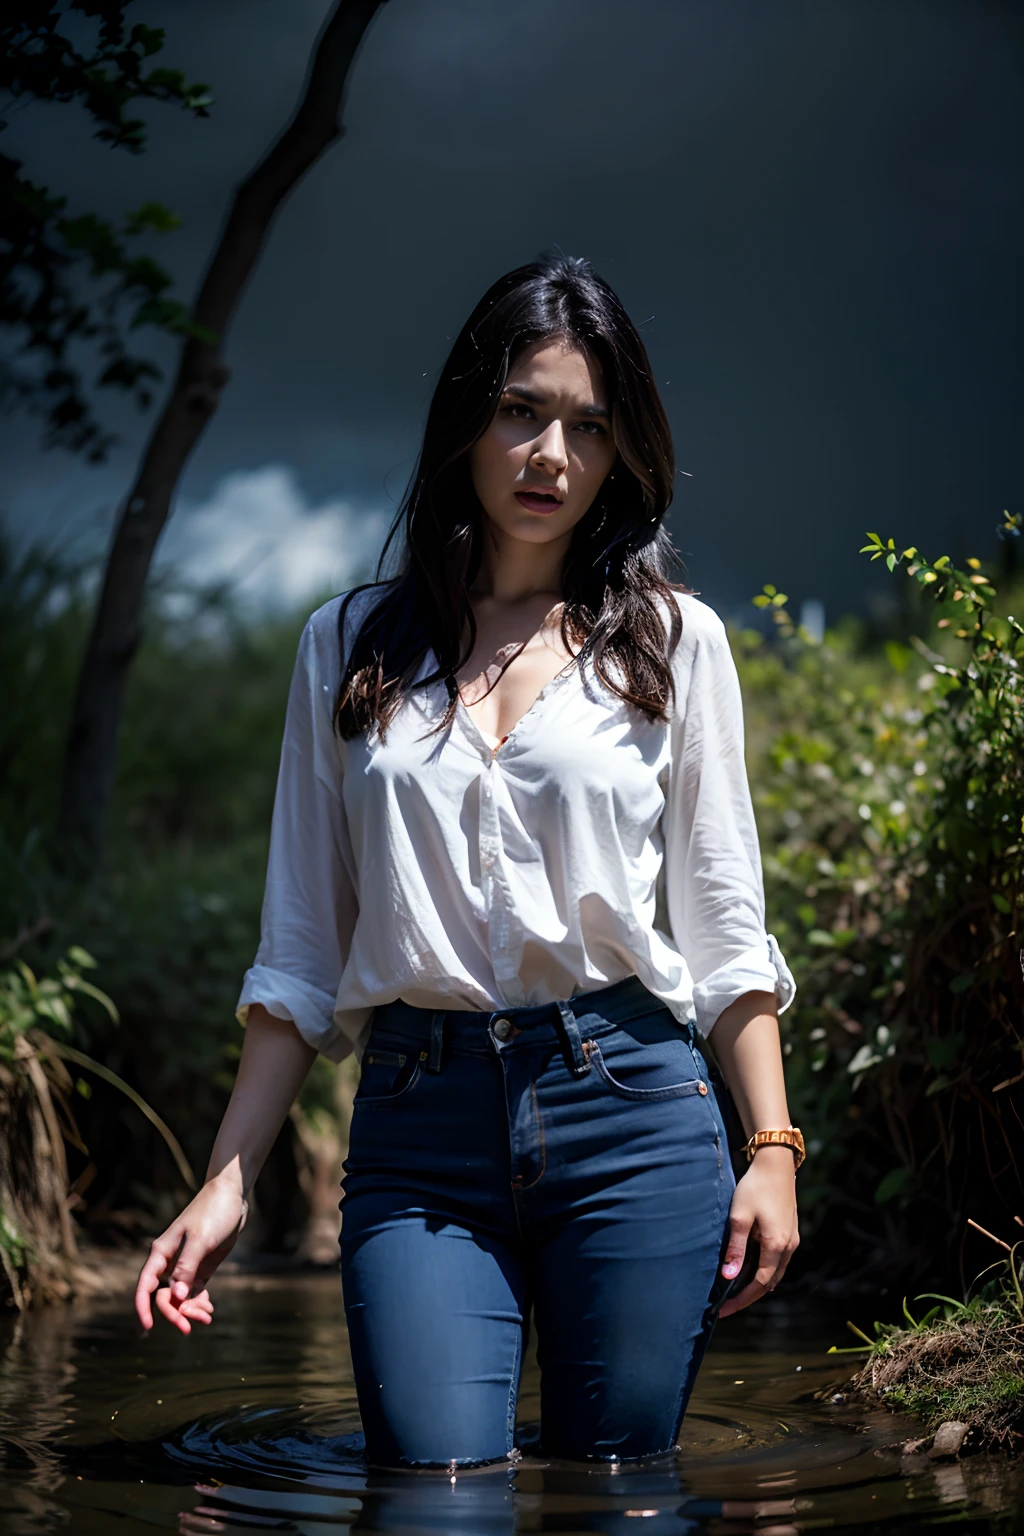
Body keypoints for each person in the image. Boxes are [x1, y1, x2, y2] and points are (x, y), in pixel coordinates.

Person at [135, 254, 802, 1470]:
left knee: (617, 1492)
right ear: (467, 421)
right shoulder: (345, 646)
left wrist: (772, 1151)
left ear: (621, 457)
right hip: (417, 1125)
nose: (551, 453)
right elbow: (298, 949)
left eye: (589, 427)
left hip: (635, 1112)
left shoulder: (672, 644)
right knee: (432, 1485)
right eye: (521, 411)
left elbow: (721, 922)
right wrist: (226, 1180)